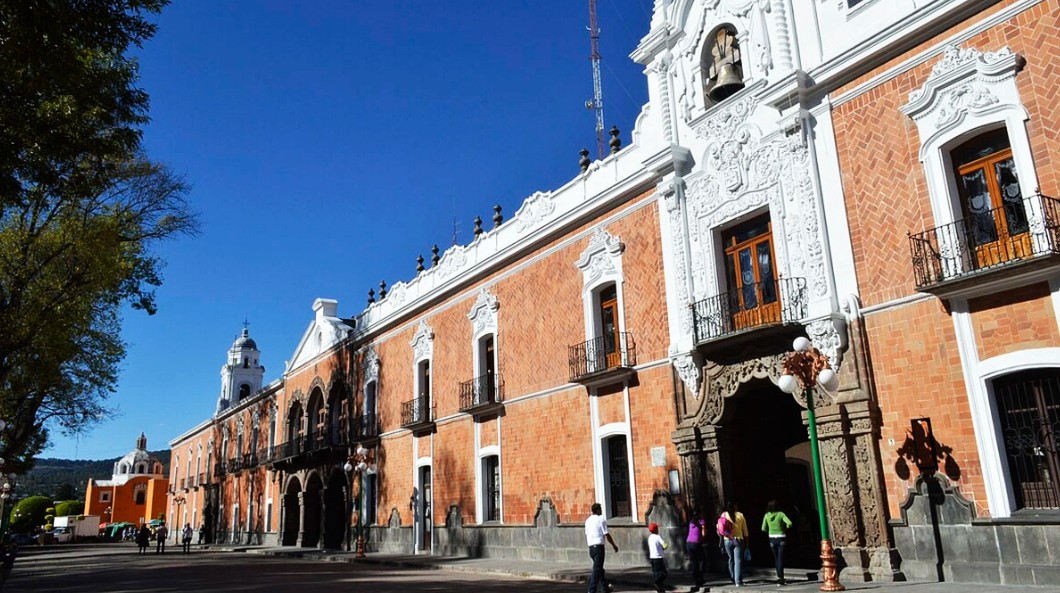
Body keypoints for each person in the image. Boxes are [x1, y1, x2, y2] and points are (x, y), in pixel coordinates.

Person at [585, 502, 618, 593]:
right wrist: (614, 545)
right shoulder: (601, 520)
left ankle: (605, 588)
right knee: (596, 570)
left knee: (599, 568)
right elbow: (606, 534)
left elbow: (587, 534)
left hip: (591, 547)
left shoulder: (587, 521)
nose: (602, 511)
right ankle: (591, 590)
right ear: (598, 510)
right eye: (601, 509)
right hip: (599, 547)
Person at [762, 500, 793, 585]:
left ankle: (779, 577)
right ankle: (781, 577)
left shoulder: (766, 516)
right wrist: (784, 528)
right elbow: (789, 523)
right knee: (780, 558)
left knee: (776, 558)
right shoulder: (781, 514)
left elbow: (763, 528)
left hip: (772, 538)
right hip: (781, 537)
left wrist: (770, 530)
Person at [718, 501, 749, 586]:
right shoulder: (740, 515)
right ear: (735, 506)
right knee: (738, 561)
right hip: (738, 540)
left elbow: (719, 528)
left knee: (731, 559)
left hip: (727, 540)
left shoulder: (724, 515)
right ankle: (738, 581)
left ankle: (732, 578)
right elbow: (745, 530)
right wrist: (747, 542)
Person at [686, 510, 707, 591]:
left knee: (694, 561)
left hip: (688, 543)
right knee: (703, 560)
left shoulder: (691, 521)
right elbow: (703, 534)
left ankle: (696, 579)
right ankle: (700, 578)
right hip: (696, 543)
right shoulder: (701, 521)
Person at [646, 523, 668, 593]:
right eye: (657, 528)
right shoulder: (658, 537)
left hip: (652, 558)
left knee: (656, 573)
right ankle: (657, 583)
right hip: (658, 558)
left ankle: (660, 589)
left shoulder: (650, 537)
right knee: (663, 573)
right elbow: (664, 545)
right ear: (655, 530)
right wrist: (664, 547)